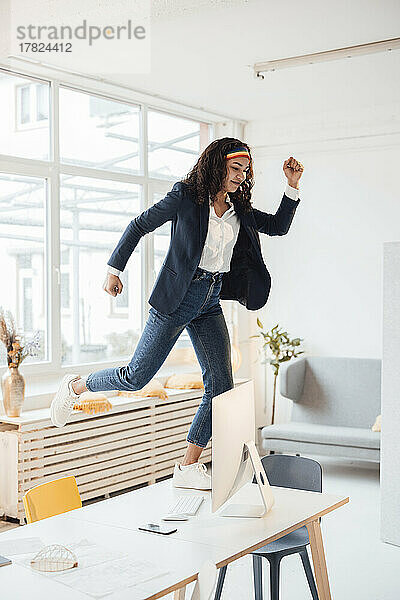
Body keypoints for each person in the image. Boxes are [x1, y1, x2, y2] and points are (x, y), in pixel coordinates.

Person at [51, 137, 303, 490]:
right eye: (235, 169)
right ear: (217, 165)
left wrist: (291, 187)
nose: (240, 177)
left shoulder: (238, 208)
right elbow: (139, 225)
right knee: (136, 377)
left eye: (245, 171)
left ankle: (187, 466)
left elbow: (277, 226)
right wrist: (114, 271)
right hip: (178, 297)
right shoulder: (186, 197)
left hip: (210, 298)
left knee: (221, 385)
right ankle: (76, 386)